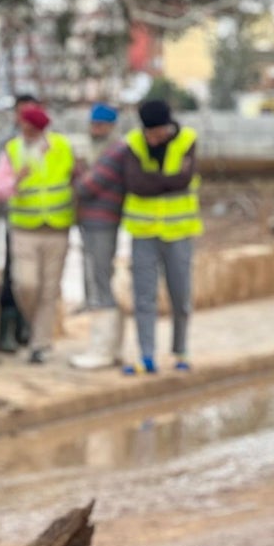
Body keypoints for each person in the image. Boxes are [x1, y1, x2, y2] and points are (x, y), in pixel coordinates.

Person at [119, 99, 202, 375]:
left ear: (169, 126)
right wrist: (167, 181)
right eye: (150, 133)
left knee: (180, 295)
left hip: (179, 232)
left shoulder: (187, 140)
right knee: (144, 296)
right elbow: (135, 184)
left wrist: (154, 182)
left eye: (159, 132)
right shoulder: (132, 144)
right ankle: (146, 355)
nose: (155, 138)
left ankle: (181, 351)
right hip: (143, 232)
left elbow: (184, 180)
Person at [0, 103, 76, 364]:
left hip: (57, 227)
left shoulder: (61, 146)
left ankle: (40, 344)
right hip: (24, 228)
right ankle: (30, 323)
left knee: (50, 289)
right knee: (26, 284)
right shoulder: (12, 150)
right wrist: (16, 179)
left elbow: (74, 178)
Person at [71, 102, 127, 370]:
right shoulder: (98, 150)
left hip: (103, 221)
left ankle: (103, 349)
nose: (96, 129)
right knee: (97, 278)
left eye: (101, 125)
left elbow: (87, 186)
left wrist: (78, 173)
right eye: (93, 124)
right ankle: (109, 346)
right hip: (92, 221)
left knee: (100, 280)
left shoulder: (115, 151)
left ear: (111, 126)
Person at [0, 94, 40, 352]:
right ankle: (6, 331)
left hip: (44, 222)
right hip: (16, 222)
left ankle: (27, 327)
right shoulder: (7, 143)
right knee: (12, 276)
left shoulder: (49, 143)